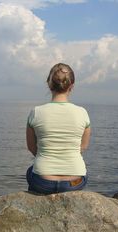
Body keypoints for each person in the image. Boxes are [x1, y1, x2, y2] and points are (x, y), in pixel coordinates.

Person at [26, 63, 91, 194]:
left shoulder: (36, 112)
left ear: (49, 85)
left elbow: (32, 148)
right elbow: (83, 147)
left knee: (30, 171)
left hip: (43, 181)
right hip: (74, 182)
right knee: (82, 173)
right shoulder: (82, 112)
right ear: (72, 86)